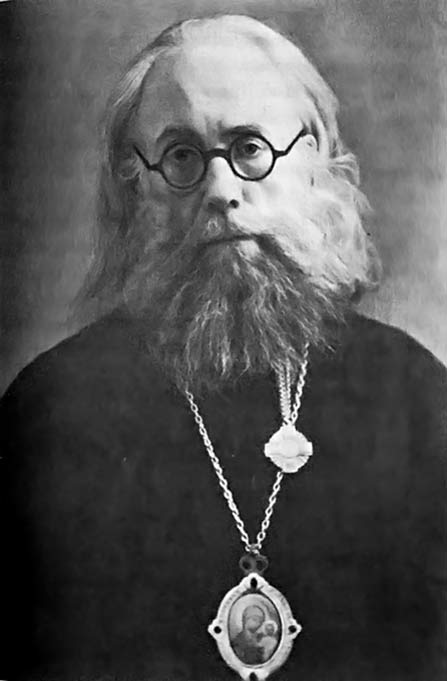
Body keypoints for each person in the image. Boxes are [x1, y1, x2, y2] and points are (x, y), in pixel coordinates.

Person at [1, 13, 446, 681]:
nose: (220, 191)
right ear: (136, 186)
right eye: (181, 156)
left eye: (249, 148)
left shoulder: (416, 398)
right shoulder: (48, 412)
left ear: (312, 162)